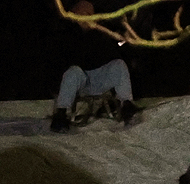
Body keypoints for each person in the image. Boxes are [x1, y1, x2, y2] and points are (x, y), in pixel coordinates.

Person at [52, 2, 140, 131]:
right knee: (73, 72)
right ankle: (61, 114)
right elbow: (61, 60)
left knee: (118, 65)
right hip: (80, 81)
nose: (88, 17)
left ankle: (127, 105)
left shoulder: (101, 31)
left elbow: (116, 50)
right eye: (84, 14)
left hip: (100, 77)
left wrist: (122, 42)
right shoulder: (67, 32)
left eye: (90, 14)